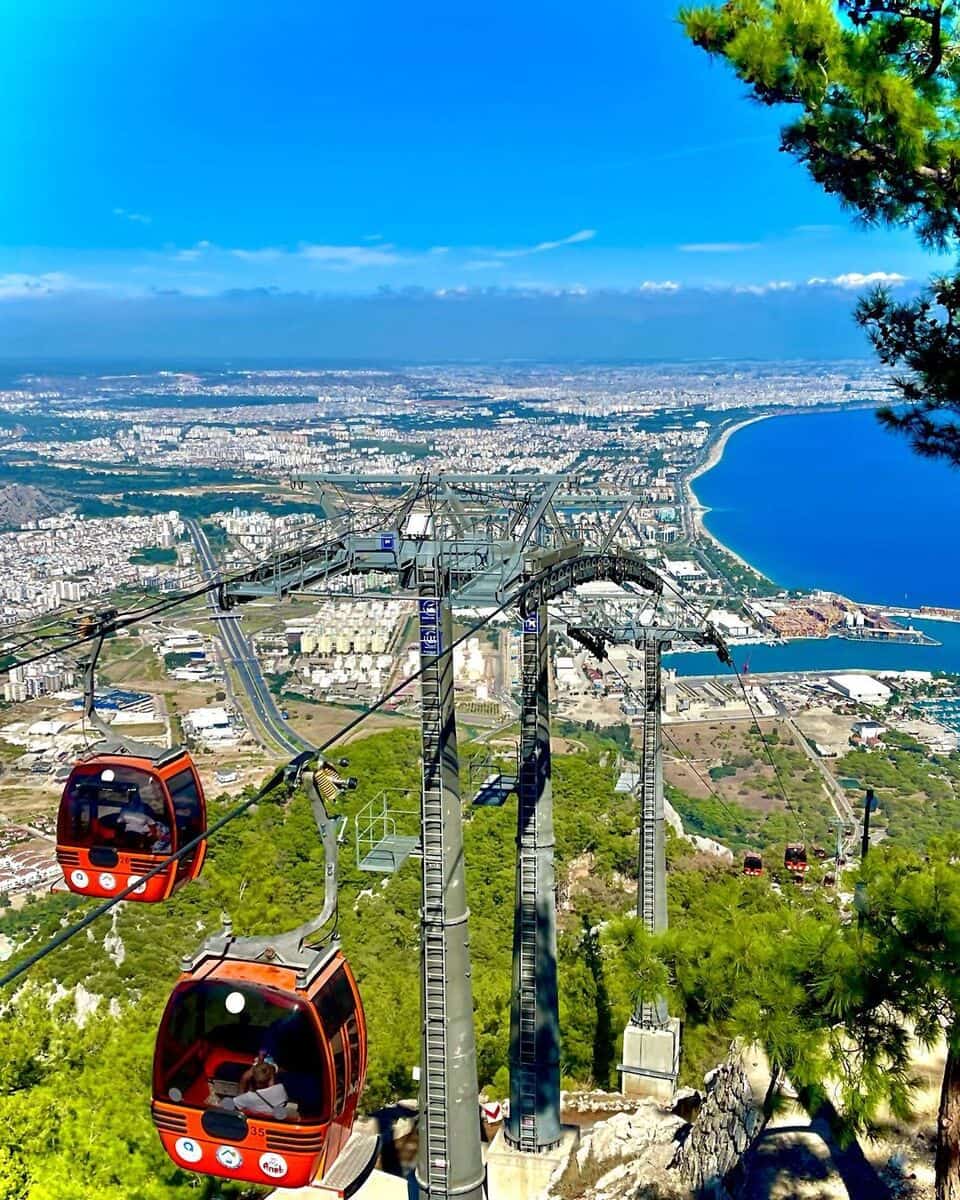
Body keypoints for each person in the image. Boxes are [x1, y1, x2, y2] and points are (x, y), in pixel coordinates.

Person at [228, 1051, 290, 1120]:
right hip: (273, 1120)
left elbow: (229, 1105)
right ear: (271, 1079)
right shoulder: (280, 1089)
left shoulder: (248, 1098)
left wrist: (243, 1081)